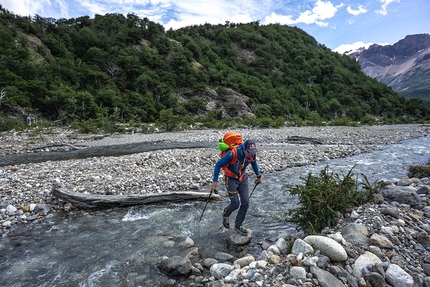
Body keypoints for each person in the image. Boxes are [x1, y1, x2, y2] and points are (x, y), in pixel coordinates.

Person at [210, 139, 263, 235]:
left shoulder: (252, 153)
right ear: (244, 149)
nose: (250, 153)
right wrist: (215, 181)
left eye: (252, 151)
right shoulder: (232, 154)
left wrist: (258, 176)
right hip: (231, 179)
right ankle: (226, 214)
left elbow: (253, 163)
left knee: (246, 203)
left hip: (242, 178)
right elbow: (218, 165)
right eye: (248, 151)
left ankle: (238, 225)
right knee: (235, 203)